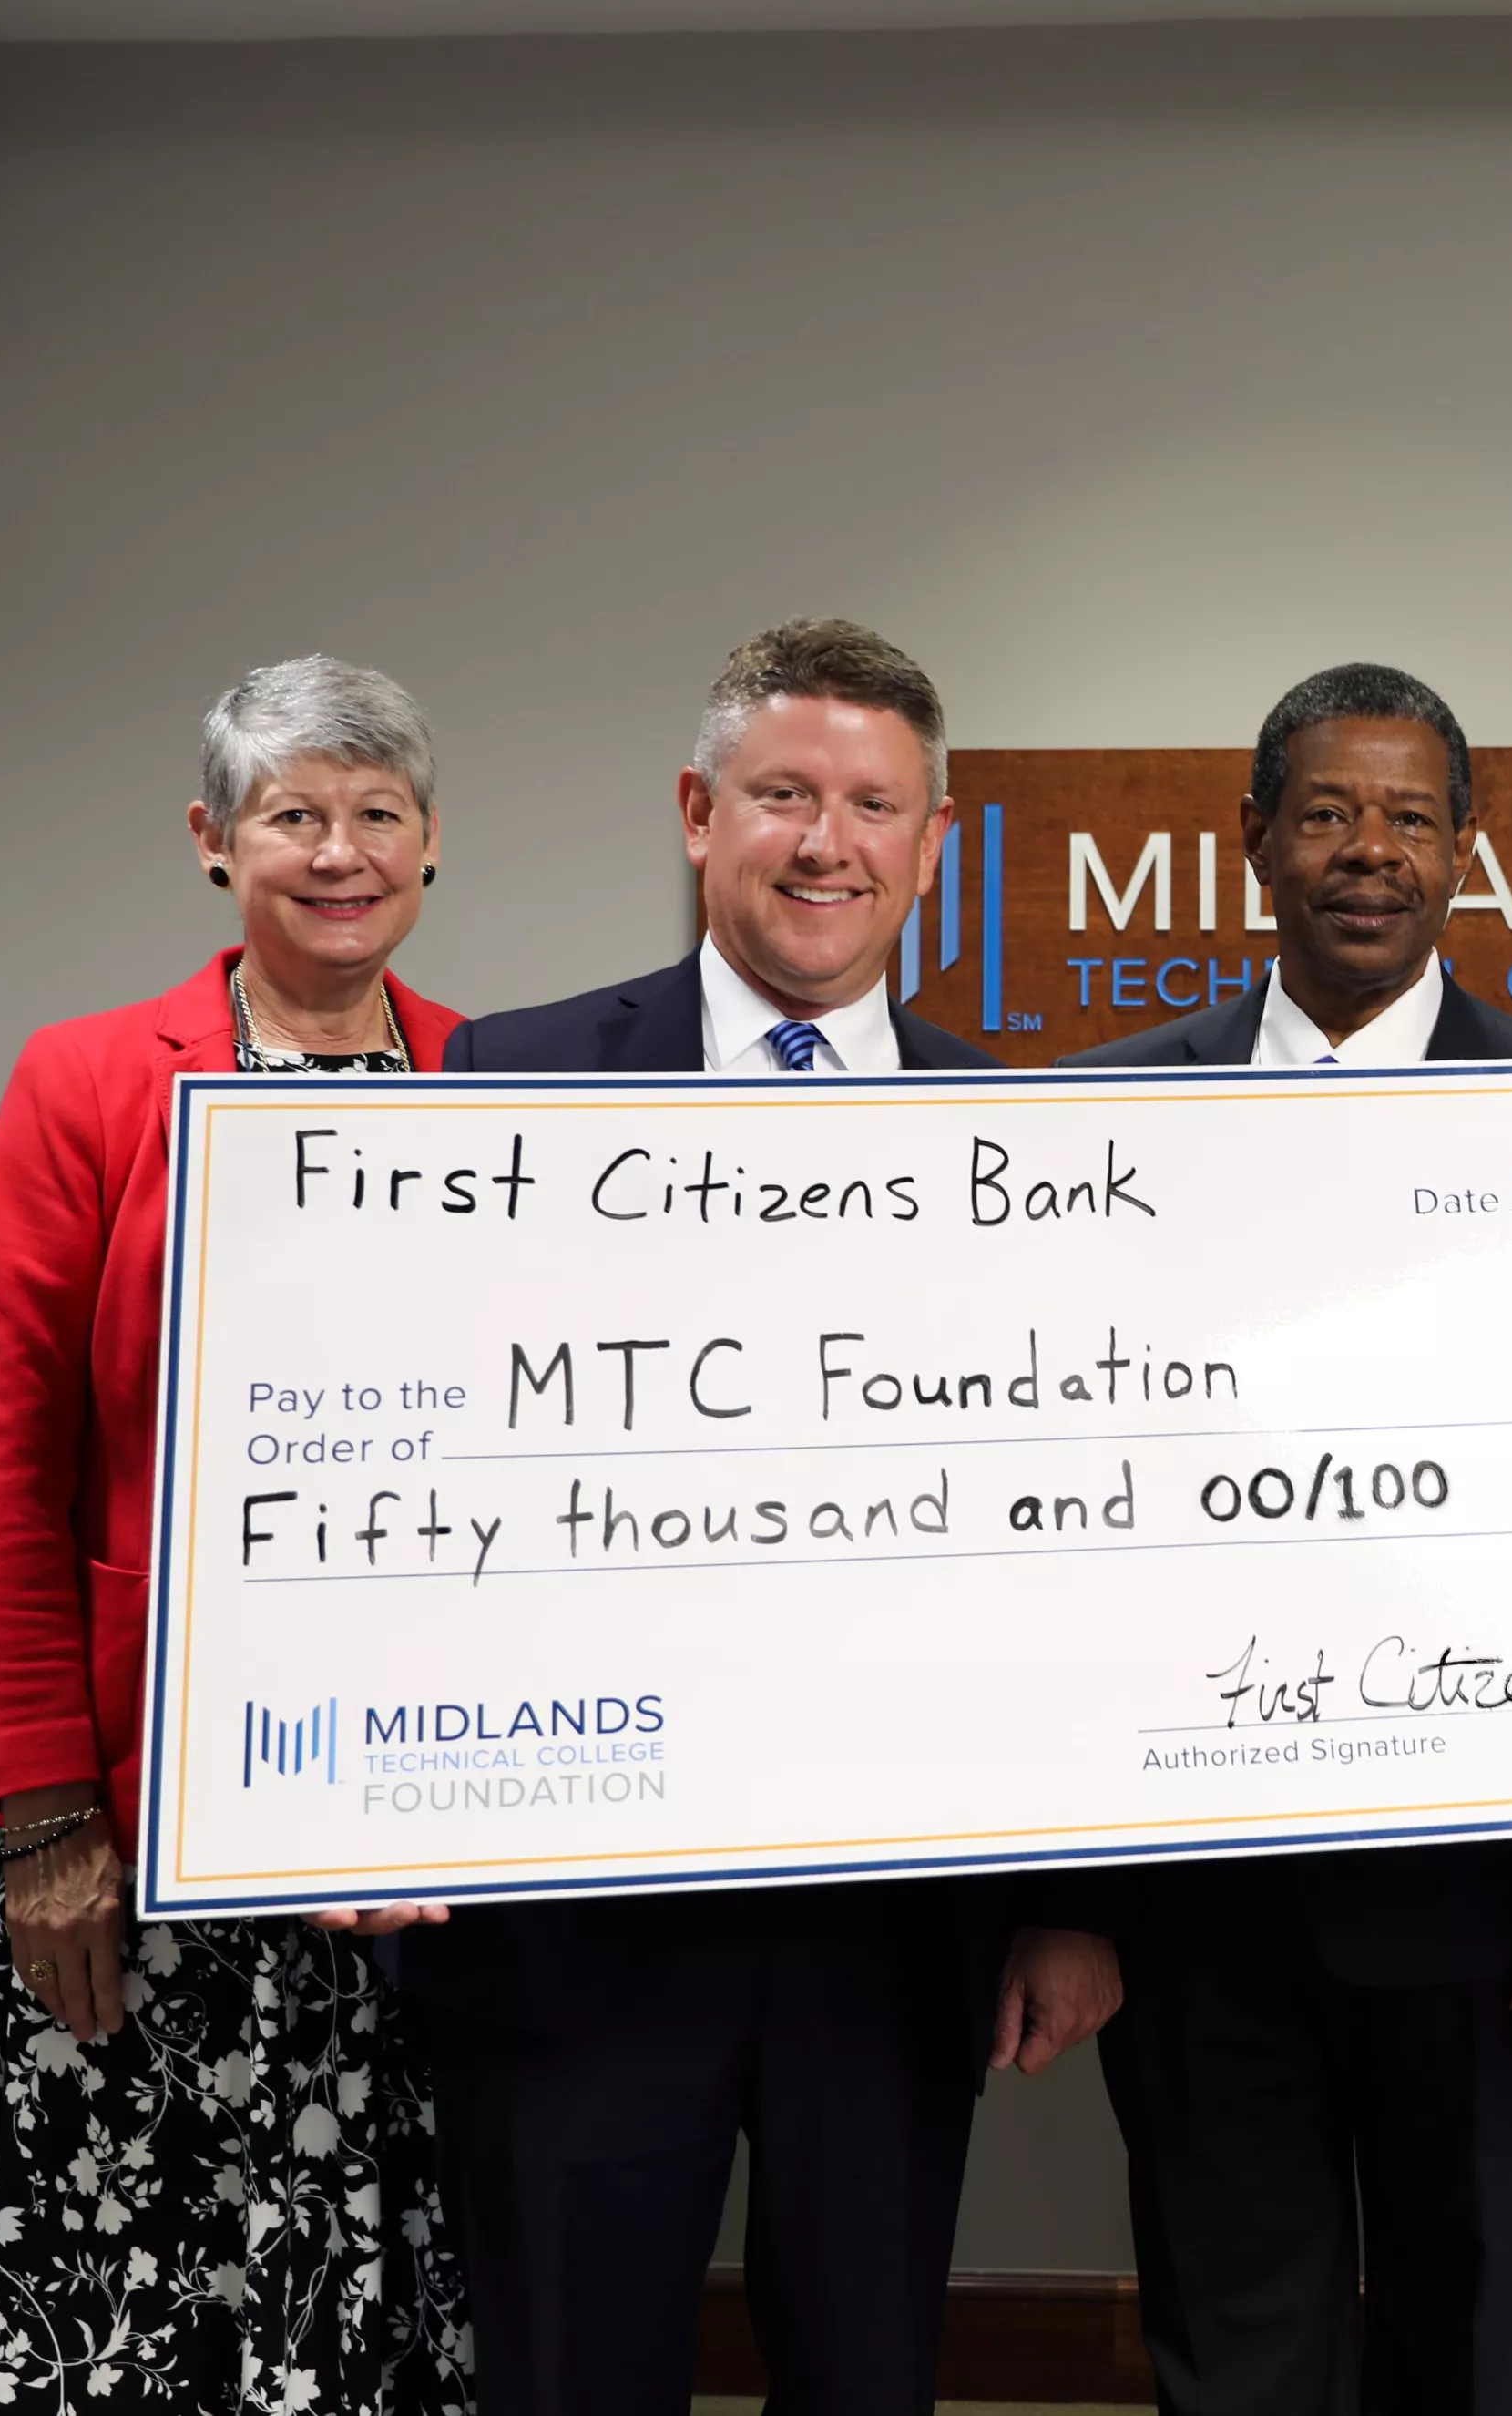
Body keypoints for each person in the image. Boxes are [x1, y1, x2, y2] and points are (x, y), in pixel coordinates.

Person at [409, 620, 1122, 2416]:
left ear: (932, 844)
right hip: (573, 1914)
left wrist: (1070, 1902)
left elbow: (1073, 1558)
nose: (827, 844)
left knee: (866, 2380)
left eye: (874, 807)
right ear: (696, 812)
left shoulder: (1027, 1143)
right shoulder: (508, 1084)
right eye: (785, 795)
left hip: (887, 1932)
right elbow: (412, 1483)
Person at [1066, 662, 1512, 2416]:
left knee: (1497, 2363)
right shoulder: (1101, 1123)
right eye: (1330, 814)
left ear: (1465, 850)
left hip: (1503, 1919)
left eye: (1411, 818)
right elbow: (1050, 1535)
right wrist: (1064, 1902)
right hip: (1195, 1914)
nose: (1371, 851)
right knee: (1234, 2360)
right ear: (1255, 839)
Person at [0, 657, 473, 2413]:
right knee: (131, 2297)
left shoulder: (496, 1076)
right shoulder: (90, 1080)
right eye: (292, 813)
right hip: (147, 1811)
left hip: (427, 1820)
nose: (339, 852)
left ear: (430, 841)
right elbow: (9, 1468)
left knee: (388, 2279)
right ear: (212, 839)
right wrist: (46, 1816)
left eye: (377, 814)